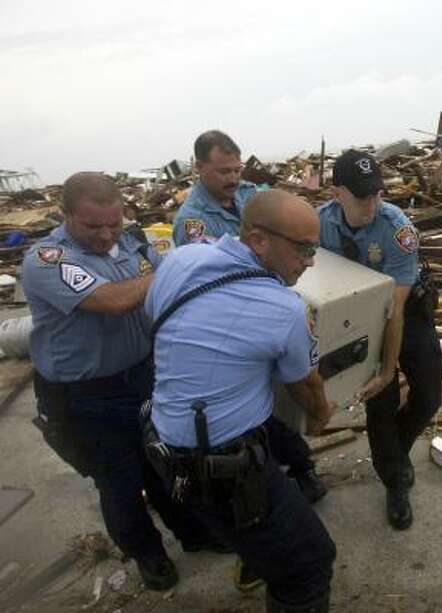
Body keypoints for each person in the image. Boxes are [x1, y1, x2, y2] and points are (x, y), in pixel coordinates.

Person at [22, 172, 225, 592]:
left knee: (166, 463)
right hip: (87, 396)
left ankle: (194, 533)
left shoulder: (134, 242)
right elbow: (112, 301)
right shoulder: (49, 259)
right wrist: (177, 270)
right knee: (119, 483)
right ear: (66, 215)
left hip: (145, 377)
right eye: (92, 226)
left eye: (113, 224)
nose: (105, 235)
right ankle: (148, 555)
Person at [144, 189, 336, 612]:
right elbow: (305, 385)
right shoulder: (285, 308)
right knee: (309, 564)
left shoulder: (180, 259)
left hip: (166, 443)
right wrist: (322, 417)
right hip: (224, 471)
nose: (310, 262)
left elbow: (158, 322)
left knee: (263, 537)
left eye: (314, 249)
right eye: (303, 249)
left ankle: (257, 557)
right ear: (258, 240)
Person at [173, 130, 325, 507]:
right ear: (199, 167)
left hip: (274, 305)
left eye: (237, 169)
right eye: (223, 171)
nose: (233, 178)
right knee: (260, 407)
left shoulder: (249, 197)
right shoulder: (193, 222)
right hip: (237, 325)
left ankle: (299, 465)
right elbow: (211, 290)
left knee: (277, 398)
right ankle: (279, 473)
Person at [318, 150, 442, 530]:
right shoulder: (319, 225)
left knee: (429, 395)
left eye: (377, 194)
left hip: (406, 314)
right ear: (337, 192)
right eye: (361, 197)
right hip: (359, 322)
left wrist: (390, 368)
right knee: (379, 403)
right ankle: (395, 480)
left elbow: (395, 309)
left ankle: (395, 455)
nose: (371, 204)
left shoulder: (396, 229)